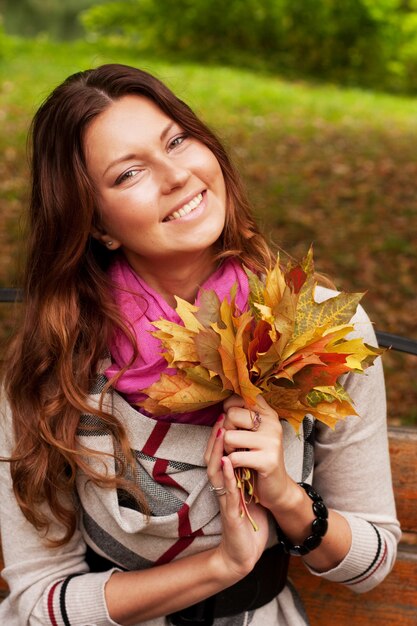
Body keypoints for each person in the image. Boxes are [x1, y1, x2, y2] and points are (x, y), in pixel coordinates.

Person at [0, 63, 400, 626]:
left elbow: (373, 561)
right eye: (129, 174)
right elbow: (38, 597)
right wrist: (221, 565)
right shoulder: (56, 362)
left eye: (178, 140)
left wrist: (285, 497)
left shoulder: (321, 333)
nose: (177, 175)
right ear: (96, 224)